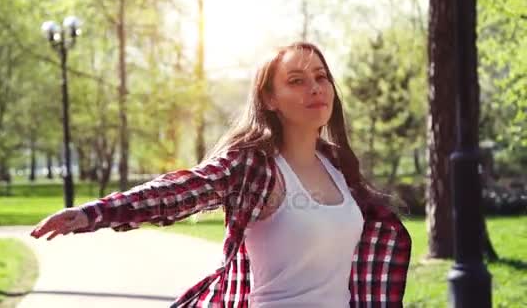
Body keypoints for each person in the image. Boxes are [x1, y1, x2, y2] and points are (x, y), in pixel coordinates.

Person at [31, 42, 412, 307]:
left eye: (321, 76)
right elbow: (180, 190)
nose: (315, 87)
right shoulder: (255, 166)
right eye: (296, 80)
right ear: (269, 99)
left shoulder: (339, 167)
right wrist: (93, 213)